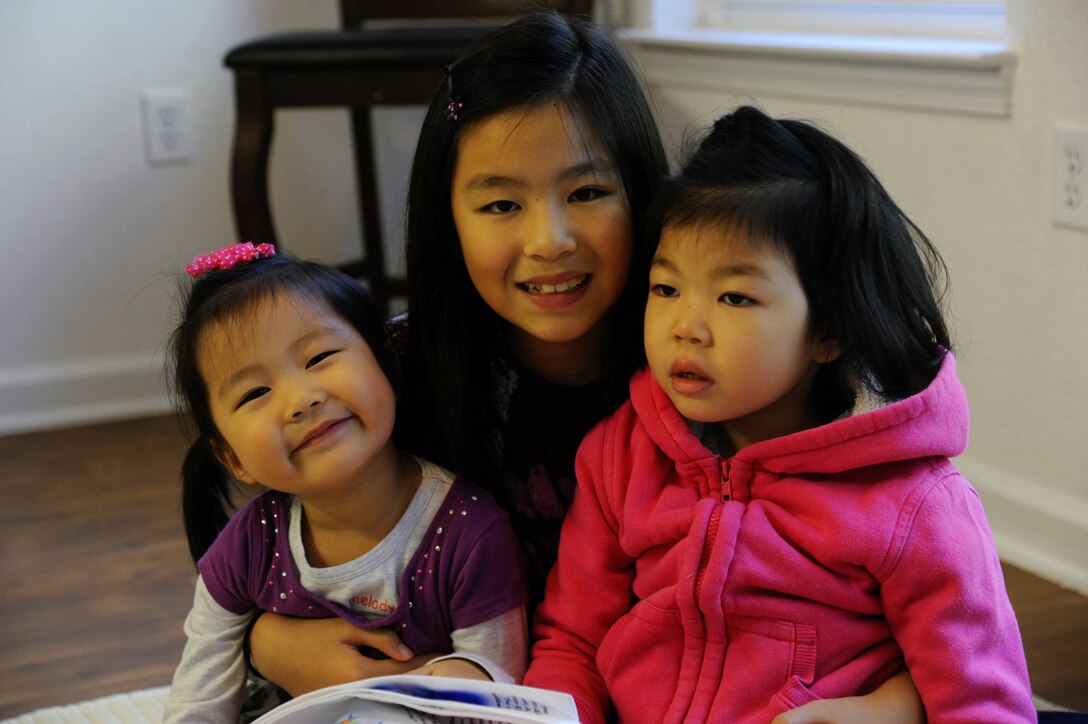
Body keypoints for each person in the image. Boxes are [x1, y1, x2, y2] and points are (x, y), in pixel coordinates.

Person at [246, 12, 927, 721]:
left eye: (587, 193)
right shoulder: (397, 373)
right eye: (502, 203)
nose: (550, 240)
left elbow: (916, 596)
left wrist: (895, 705)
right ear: (447, 216)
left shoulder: (714, 367)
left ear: (645, 194)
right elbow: (252, 531)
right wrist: (267, 641)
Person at [523, 106, 1036, 723]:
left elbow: (984, 702)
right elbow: (571, 641)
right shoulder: (621, 453)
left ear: (829, 332)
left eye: (735, 296)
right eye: (666, 288)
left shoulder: (915, 505)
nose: (686, 327)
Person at [162, 244, 528, 723]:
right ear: (232, 458)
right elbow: (198, 697)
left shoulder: (468, 533)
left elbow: (502, 700)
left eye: (319, 357)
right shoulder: (251, 543)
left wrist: (462, 676)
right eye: (256, 392)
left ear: (386, 364)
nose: (301, 399)